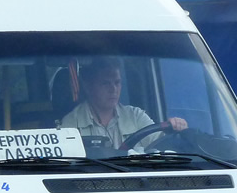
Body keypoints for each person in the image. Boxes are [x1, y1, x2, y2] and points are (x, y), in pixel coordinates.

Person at [59, 57, 187, 150]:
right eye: (106, 83)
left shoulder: (136, 116)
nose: (113, 89)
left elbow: (160, 144)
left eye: (117, 82)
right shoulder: (71, 123)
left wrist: (176, 129)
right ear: (88, 87)